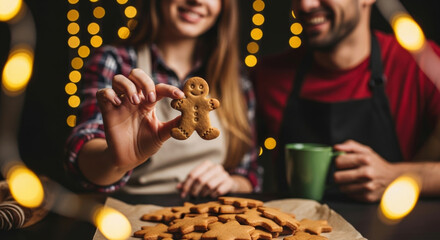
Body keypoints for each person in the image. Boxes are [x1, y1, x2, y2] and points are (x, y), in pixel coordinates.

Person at [65, 0, 261, 198]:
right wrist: (116, 160)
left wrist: (232, 183)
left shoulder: (233, 77)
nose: (197, 1)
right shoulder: (114, 63)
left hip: (212, 217)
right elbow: (81, 159)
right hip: (129, 218)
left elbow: (249, 173)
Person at [251, 0, 440, 202]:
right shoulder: (266, 76)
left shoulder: (421, 64)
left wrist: (396, 177)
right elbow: (240, 168)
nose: (305, 5)